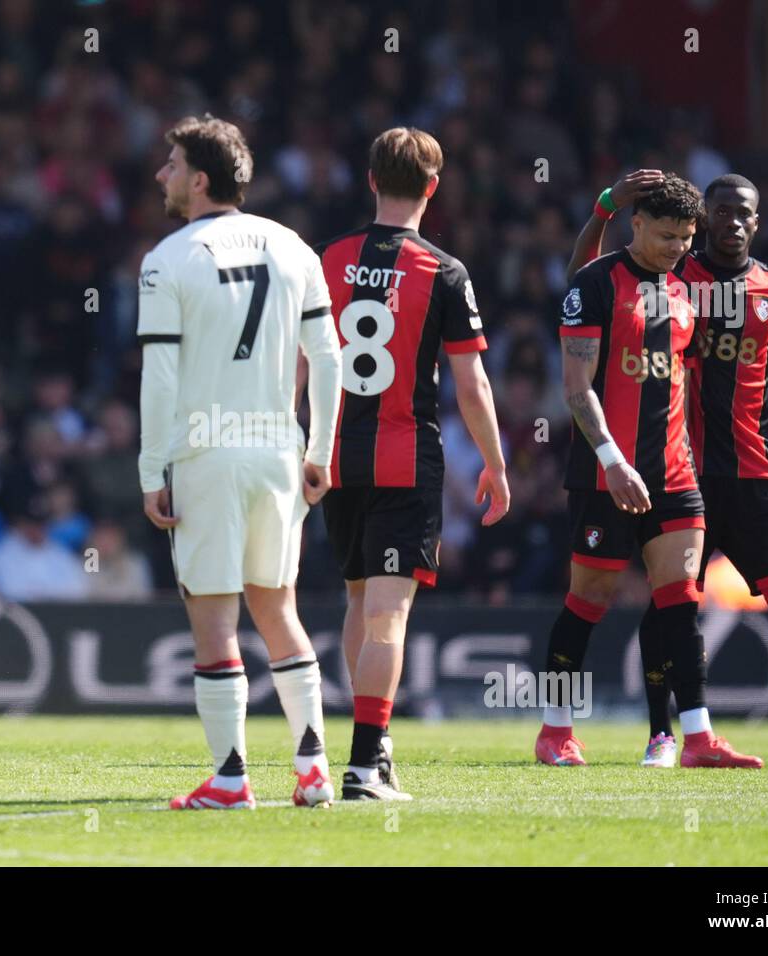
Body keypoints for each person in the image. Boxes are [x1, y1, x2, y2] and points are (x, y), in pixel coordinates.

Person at [567, 171, 768, 768]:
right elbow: (585, 279)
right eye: (723, 212)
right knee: (672, 603)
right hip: (679, 467)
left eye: (745, 214)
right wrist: (605, 207)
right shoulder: (674, 269)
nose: (733, 223)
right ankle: (663, 735)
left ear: (758, 222)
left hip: (756, 469)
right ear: (703, 217)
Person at [138, 115, 342, 809]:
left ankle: (230, 778)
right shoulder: (296, 248)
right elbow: (329, 358)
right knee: (277, 606)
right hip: (278, 451)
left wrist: (150, 470)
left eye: (171, 164)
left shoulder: (168, 258)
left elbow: (159, 379)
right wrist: (320, 450)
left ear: (200, 178)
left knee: (214, 618)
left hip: (207, 451)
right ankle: (314, 768)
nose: (161, 175)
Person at [545, 173, 762, 768]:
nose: (677, 248)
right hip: (603, 476)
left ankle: (696, 738)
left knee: (680, 603)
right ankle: (555, 729)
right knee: (587, 600)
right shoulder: (595, 283)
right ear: (634, 224)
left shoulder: (691, 287)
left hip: (673, 475)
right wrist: (612, 461)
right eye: (666, 235)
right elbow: (576, 387)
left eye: (686, 238)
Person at [316, 127, 508, 800]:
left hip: (338, 461)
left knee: (360, 603)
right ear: (433, 186)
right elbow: (471, 383)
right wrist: (495, 463)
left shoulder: (329, 259)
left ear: (371, 180)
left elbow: (302, 363)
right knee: (387, 620)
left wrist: (303, 446)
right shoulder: (443, 272)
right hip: (404, 463)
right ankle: (365, 767)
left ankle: (378, 745)